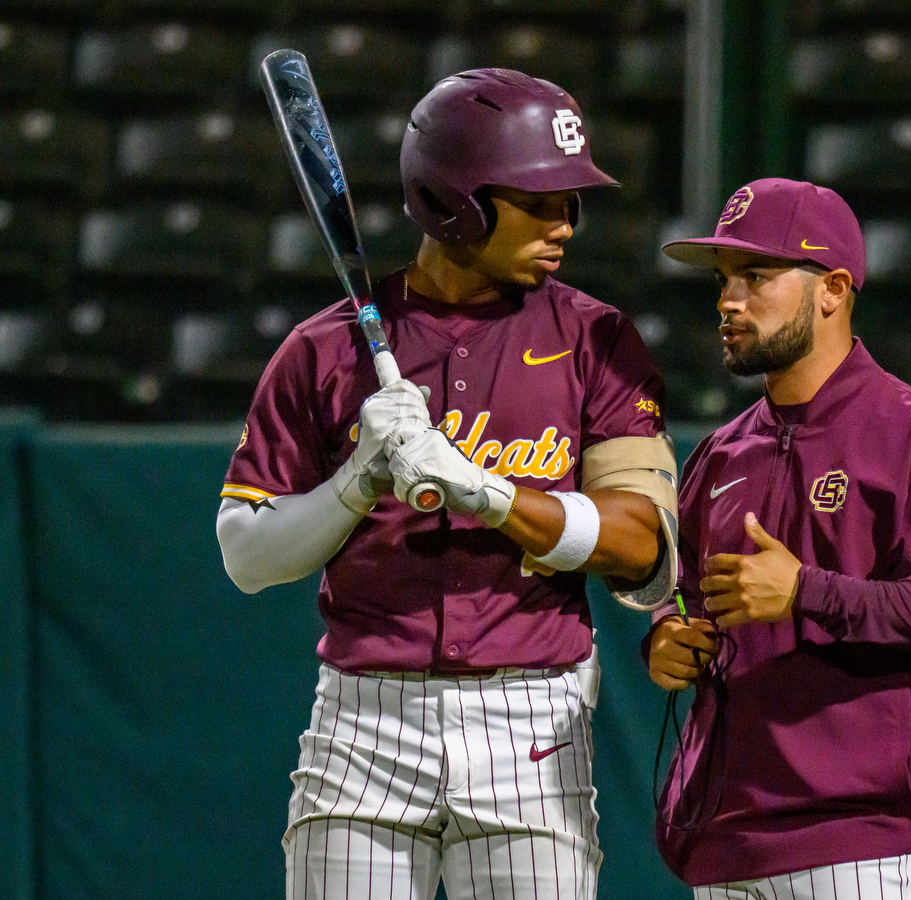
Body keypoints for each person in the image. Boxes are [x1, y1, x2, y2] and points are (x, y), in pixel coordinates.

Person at [216, 68, 679, 900]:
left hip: (533, 723)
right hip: (363, 722)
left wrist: (493, 496)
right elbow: (247, 556)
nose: (566, 223)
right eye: (540, 200)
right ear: (455, 201)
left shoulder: (597, 340)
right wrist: (358, 480)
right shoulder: (324, 351)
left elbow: (641, 544)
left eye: (571, 201)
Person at [645, 178, 911, 900]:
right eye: (722, 279)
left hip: (855, 840)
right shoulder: (719, 453)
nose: (727, 300)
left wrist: (805, 590)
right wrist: (666, 636)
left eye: (756, 276)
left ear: (833, 289)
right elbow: (677, 596)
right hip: (725, 834)